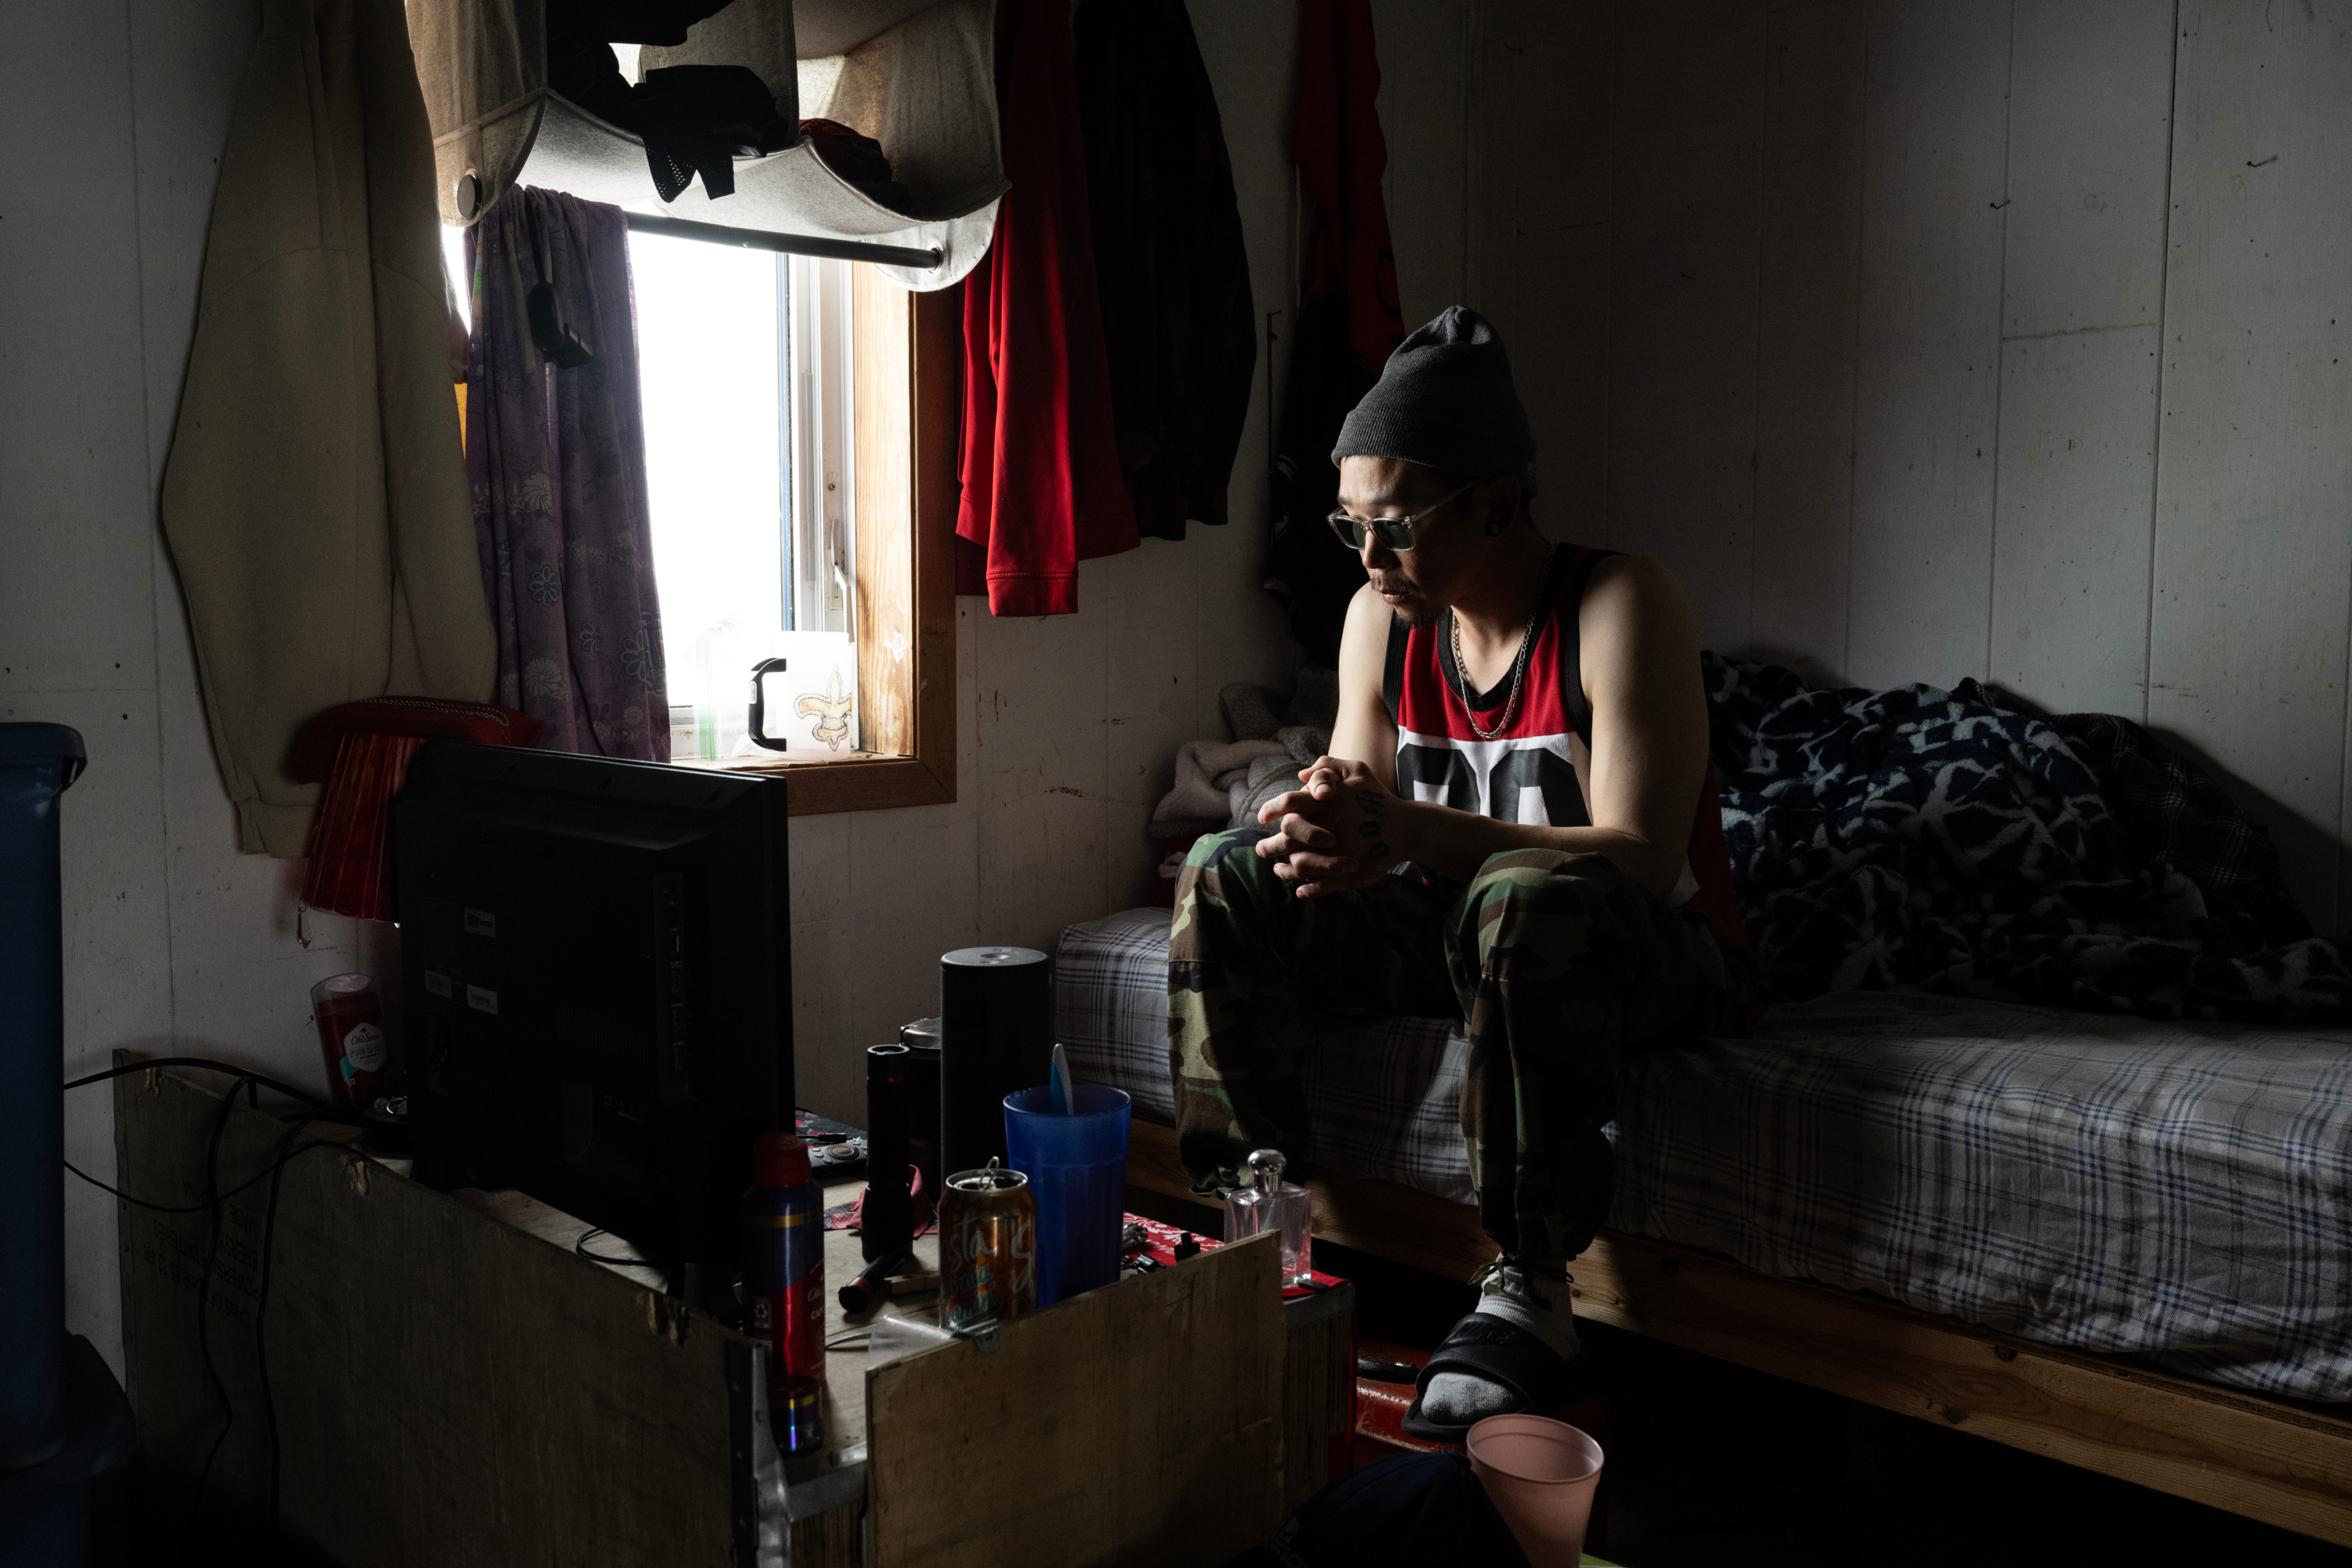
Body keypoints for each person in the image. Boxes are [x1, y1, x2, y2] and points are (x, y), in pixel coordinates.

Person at [1168, 306, 1751, 1442]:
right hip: (1462, 943)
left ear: (1496, 502)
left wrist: (1409, 833)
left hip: (1640, 955)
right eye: (1351, 528)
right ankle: (1254, 1229)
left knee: (1519, 896)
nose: (1369, 559)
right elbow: (1359, 797)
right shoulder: (1378, 619)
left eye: (1395, 527)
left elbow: (1640, 857)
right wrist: (1319, 824)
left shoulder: (1618, 602)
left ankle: (1532, 1285)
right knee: (1222, 868)